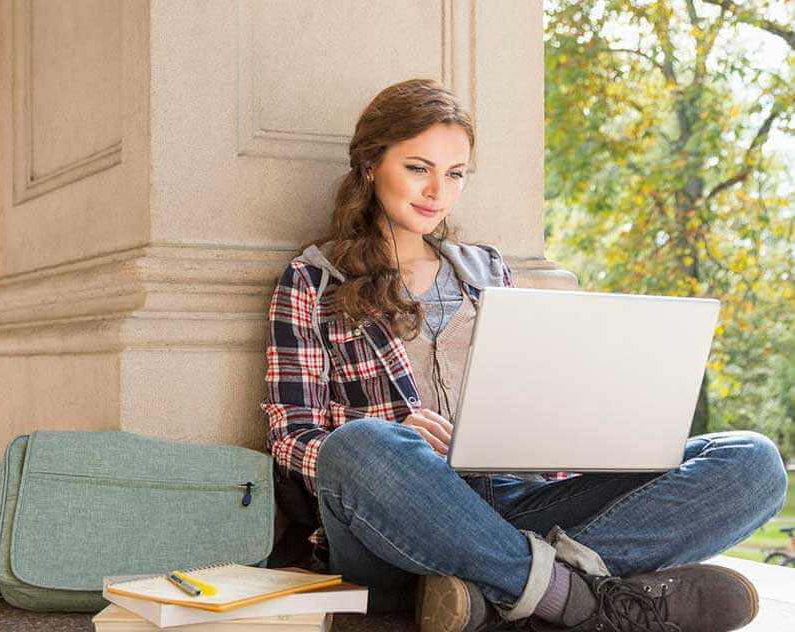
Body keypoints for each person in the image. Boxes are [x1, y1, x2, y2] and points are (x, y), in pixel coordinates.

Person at [258, 78, 788, 632]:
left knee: (753, 463)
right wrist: (395, 435)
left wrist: (584, 434)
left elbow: (537, 407)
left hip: (516, 501)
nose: (437, 191)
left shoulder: (487, 270)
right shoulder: (313, 280)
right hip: (399, 518)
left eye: (455, 173)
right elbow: (291, 435)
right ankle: (586, 599)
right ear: (371, 165)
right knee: (359, 447)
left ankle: (499, 595)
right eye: (418, 168)